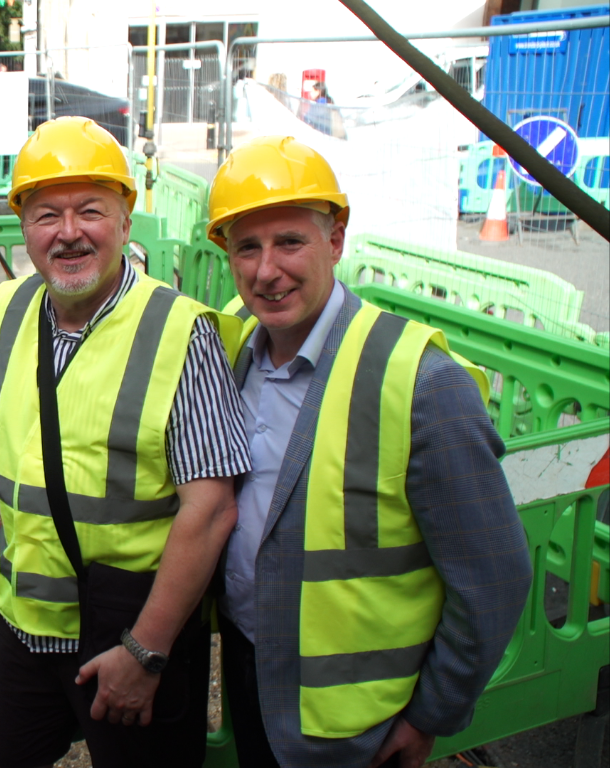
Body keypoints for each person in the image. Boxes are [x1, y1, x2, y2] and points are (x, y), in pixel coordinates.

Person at [0, 116, 251, 768]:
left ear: (126, 220)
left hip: (131, 627)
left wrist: (145, 651)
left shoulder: (180, 332)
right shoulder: (13, 304)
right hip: (22, 622)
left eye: (90, 211)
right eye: (47, 214)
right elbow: (1, 421)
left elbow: (211, 508)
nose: (69, 232)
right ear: (23, 227)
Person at [205, 136, 531, 768]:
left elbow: (494, 575)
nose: (266, 270)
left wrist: (432, 711)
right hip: (253, 669)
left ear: (336, 240)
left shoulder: (420, 383)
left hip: (362, 725)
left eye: (291, 242)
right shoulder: (235, 343)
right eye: (247, 246)